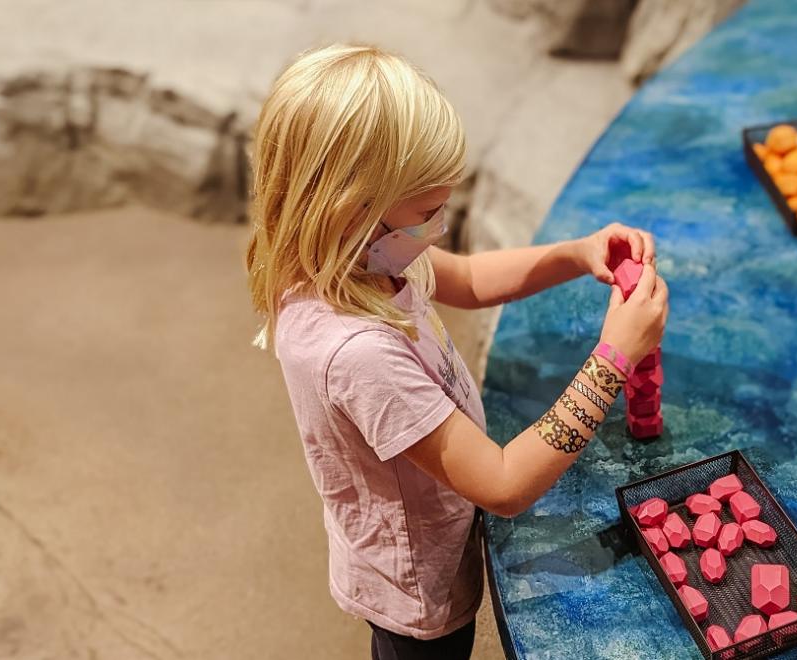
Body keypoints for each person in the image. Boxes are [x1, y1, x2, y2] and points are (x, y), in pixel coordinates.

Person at [244, 43, 669, 660]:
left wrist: (576, 253)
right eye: (429, 212)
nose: (438, 228)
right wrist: (613, 359)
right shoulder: (356, 353)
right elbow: (501, 483)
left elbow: (468, 279)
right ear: (348, 210)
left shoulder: (371, 256)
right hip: (417, 593)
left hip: (438, 521)